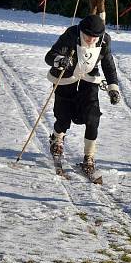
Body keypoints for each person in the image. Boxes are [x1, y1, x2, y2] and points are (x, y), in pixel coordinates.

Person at [45, 14, 120, 179]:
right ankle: (57, 139)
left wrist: (113, 88)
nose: (91, 40)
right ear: (81, 31)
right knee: (64, 115)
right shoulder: (71, 35)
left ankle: (89, 157)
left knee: (93, 116)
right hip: (66, 77)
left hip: (89, 78)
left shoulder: (105, 40)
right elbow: (49, 56)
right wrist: (60, 60)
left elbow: (108, 64)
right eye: (88, 36)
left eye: (95, 37)